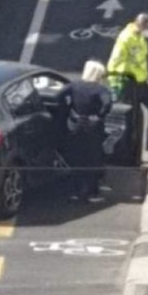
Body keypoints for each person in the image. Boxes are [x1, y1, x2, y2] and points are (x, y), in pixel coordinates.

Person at [107, 13, 148, 152]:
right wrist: (116, 83)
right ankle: (128, 147)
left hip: (140, 81)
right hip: (127, 82)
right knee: (131, 118)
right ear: (142, 24)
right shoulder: (126, 38)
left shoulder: (140, 38)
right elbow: (115, 62)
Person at [58, 60, 113, 202]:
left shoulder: (74, 85)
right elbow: (107, 103)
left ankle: (75, 192)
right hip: (93, 127)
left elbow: (58, 95)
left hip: (76, 125)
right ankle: (91, 192)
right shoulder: (100, 89)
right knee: (93, 159)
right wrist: (99, 115)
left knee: (76, 157)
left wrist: (68, 108)